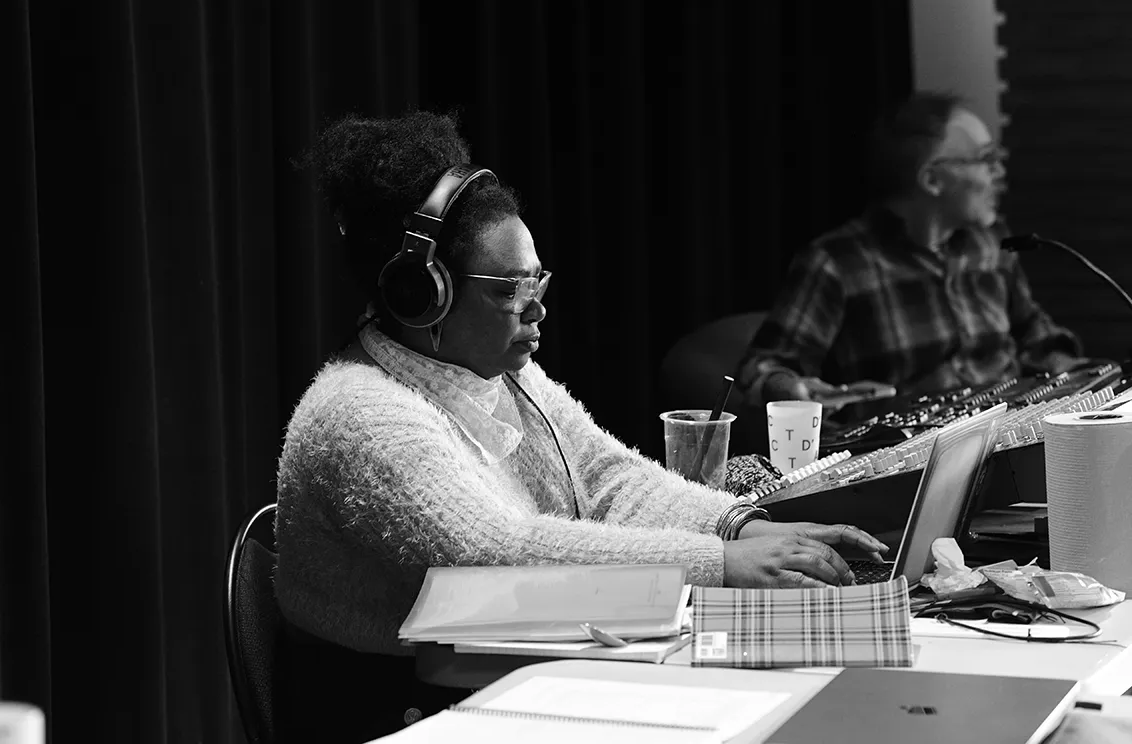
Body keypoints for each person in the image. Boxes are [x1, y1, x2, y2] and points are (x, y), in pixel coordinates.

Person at [275, 110, 888, 741]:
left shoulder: (496, 370)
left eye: (536, 281)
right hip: (398, 714)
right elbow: (493, 557)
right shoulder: (361, 415)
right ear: (420, 294)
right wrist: (720, 562)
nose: (536, 308)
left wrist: (742, 526)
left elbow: (606, 479)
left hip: (497, 674)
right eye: (508, 291)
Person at [737, 91, 1084, 413]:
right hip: (909, 447)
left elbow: (1036, 335)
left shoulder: (991, 243)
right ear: (932, 180)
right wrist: (789, 388)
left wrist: (1079, 379)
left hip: (1010, 427)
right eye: (986, 159)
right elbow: (761, 369)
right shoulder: (837, 262)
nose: (999, 172)